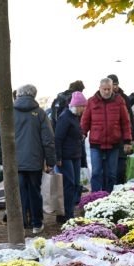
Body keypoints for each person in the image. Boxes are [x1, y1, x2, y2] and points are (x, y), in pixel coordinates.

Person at [0, 83, 55, 234]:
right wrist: (50, 161)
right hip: (35, 161)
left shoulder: (7, 113)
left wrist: (1, 160)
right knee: (35, 191)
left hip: (14, 161)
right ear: (34, 95)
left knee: (19, 191)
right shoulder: (40, 113)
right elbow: (48, 140)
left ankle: (21, 223)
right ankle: (36, 223)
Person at [80, 77, 132, 193]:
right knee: (97, 172)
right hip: (96, 143)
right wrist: (82, 133)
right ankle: (96, 197)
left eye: (109, 89)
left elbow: (125, 122)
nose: (107, 91)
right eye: (105, 89)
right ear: (100, 88)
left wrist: (127, 140)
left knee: (111, 173)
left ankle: (109, 197)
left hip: (114, 143)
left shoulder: (119, 101)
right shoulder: (91, 101)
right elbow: (85, 120)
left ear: (112, 88)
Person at [55, 91, 87, 222]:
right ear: (77, 105)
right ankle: (66, 214)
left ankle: (68, 212)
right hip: (66, 157)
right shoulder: (65, 117)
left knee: (74, 185)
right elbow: (58, 138)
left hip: (75, 156)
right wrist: (58, 158)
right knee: (69, 185)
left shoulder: (74, 117)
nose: (84, 109)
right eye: (83, 106)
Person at [108, 74, 134, 185]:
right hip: (108, 138)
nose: (114, 87)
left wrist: (131, 137)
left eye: (115, 84)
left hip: (121, 137)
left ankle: (119, 186)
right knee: (109, 168)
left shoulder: (124, 98)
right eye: (112, 85)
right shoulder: (103, 97)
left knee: (121, 166)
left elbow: (130, 119)